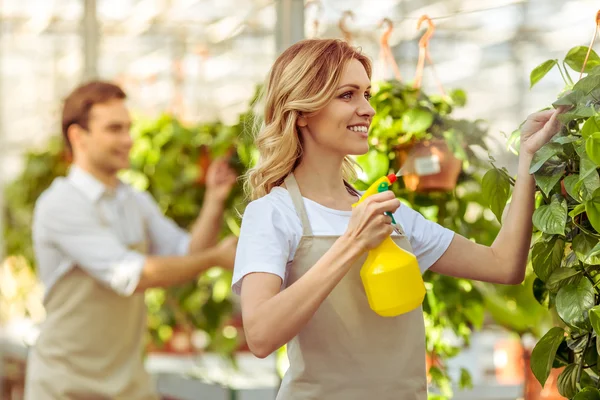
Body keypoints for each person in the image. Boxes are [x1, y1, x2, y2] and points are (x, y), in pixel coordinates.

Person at [232, 39, 565, 399]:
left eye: (367, 94)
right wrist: (352, 243)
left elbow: (503, 266)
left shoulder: (387, 212)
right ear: (304, 111)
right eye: (348, 95)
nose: (367, 109)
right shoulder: (272, 213)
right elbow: (261, 335)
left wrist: (529, 158)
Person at [24, 81, 238, 400]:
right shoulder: (60, 204)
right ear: (77, 136)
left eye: (128, 128)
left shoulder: (132, 200)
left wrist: (214, 200)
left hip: (127, 386)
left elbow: (187, 251)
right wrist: (215, 259)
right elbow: (132, 275)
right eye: (114, 129)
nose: (128, 140)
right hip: (64, 387)